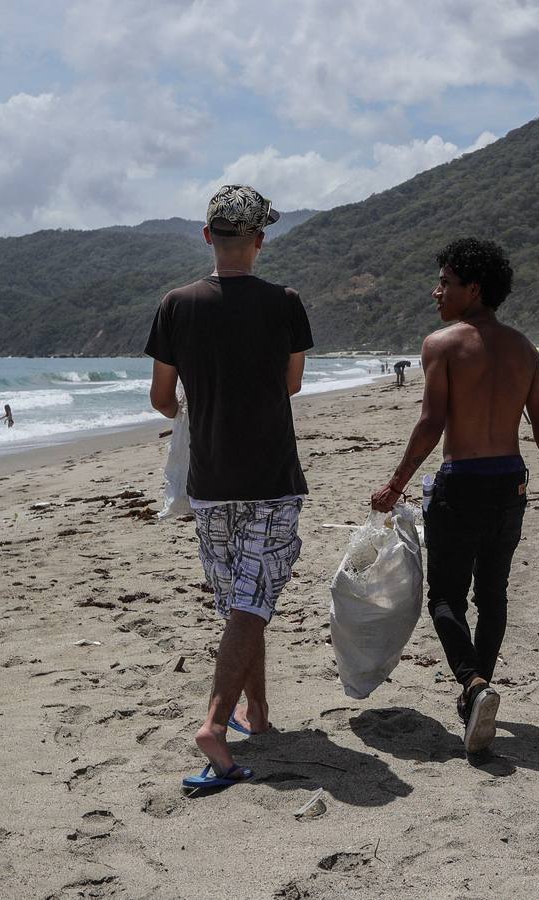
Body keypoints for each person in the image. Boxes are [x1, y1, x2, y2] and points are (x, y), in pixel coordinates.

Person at [371, 238, 539, 755]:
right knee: (492, 595)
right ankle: (478, 697)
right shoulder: (524, 350)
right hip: (511, 484)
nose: (436, 291)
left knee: (445, 596)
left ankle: (471, 684)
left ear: (474, 288)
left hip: (462, 482)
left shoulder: (442, 345)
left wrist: (396, 482)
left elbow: (432, 423)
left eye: (445, 282)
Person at [146, 185, 312, 790]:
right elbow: (291, 384)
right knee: (253, 598)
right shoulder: (285, 303)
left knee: (245, 601)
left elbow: (163, 399)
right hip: (269, 476)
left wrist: (199, 405)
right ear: (261, 241)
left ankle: (259, 714)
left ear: (207, 236)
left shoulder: (176, 304)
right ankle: (215, 725)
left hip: (210, 481)